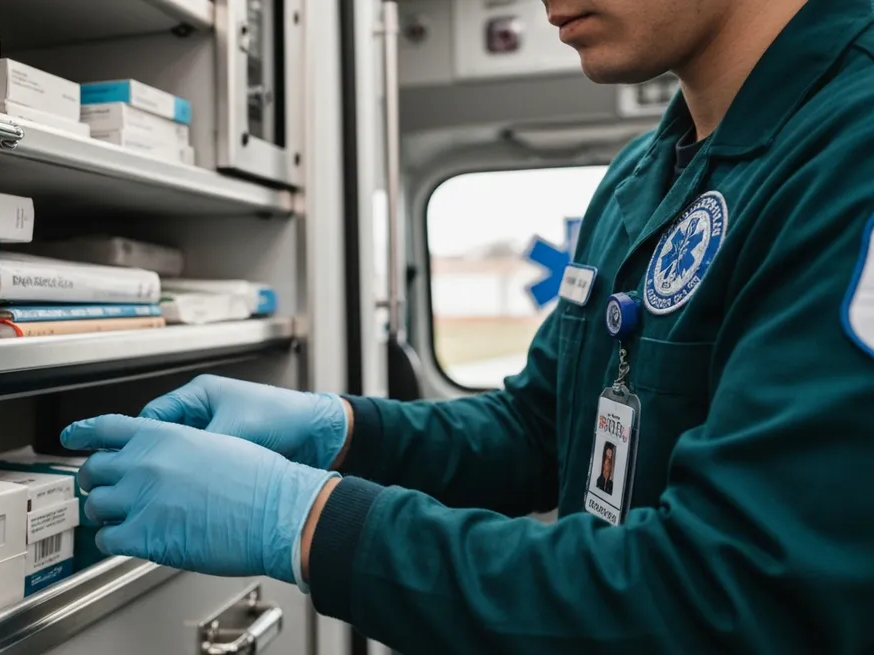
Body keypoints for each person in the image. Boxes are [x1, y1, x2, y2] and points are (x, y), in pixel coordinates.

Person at [60, 0, 874, 650]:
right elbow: (540, 428)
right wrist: (341, 431)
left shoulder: (853, 148)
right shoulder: (643, 172)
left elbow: (730, 598)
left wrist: (302, 519)